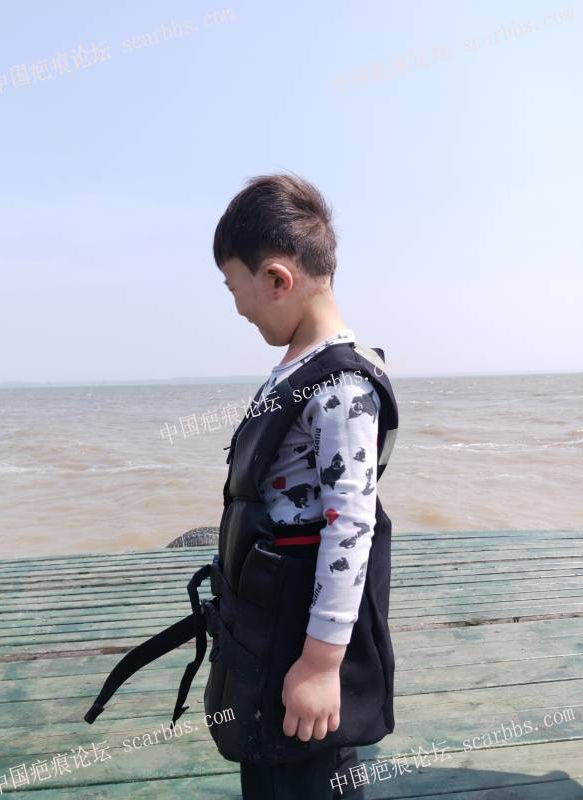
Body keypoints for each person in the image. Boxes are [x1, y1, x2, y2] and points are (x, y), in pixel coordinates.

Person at [212, 173, 398, 799]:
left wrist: (321, 664)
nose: (237, 307)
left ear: (276, 279)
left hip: (302, 638)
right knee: (269, 770)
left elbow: (351, 526)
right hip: (267, 627)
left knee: (311, 773)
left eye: (234, 288)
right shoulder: (299, 367)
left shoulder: (341, 385)